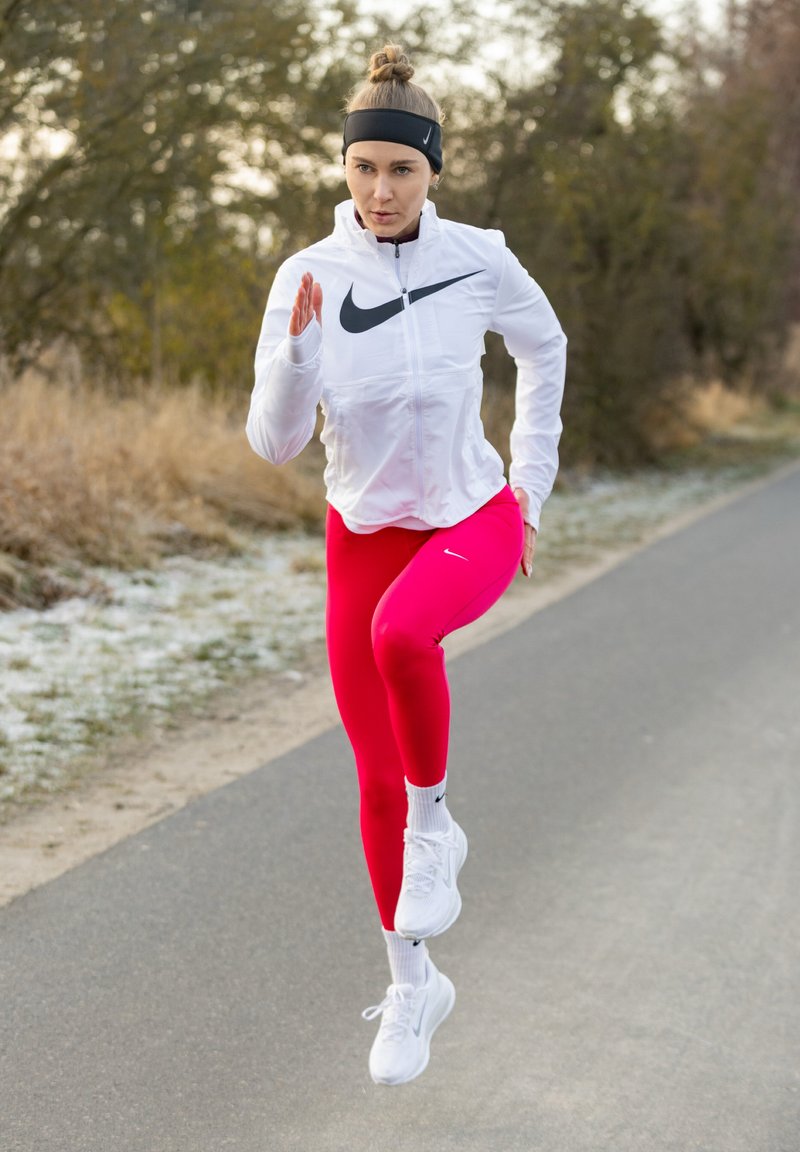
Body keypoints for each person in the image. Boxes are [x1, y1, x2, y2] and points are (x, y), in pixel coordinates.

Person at [246, 44, 566, 1086]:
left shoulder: (479, 258)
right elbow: (273, 445)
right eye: (363, 168)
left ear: (433, 171)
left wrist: (529, 483)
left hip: (472, 514)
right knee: (373, 778)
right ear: (343, 167)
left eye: (401, 170)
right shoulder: (307, 277)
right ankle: (412, 985)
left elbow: (544, 346)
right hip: (363, 533)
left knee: (402, 634)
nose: (379, 191)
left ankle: (439, 828)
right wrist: (298, 356)